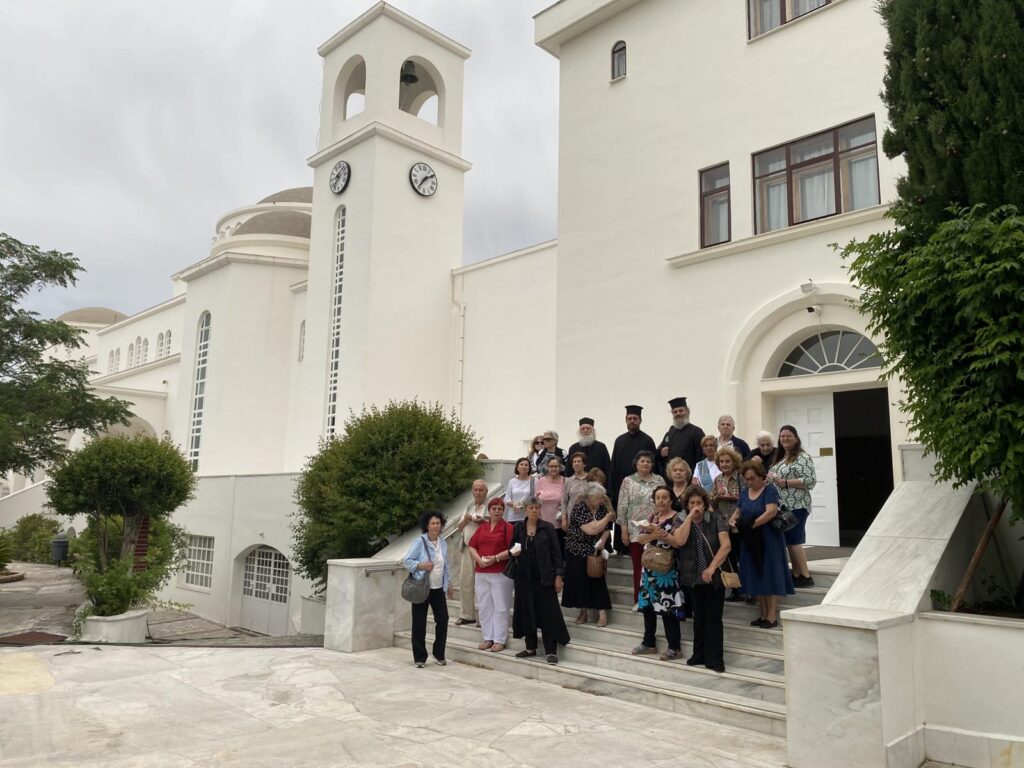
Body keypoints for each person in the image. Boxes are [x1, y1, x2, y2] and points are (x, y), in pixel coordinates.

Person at [675, 485, 732, 673]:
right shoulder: (681, 520)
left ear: (705, 504)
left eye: (699, 503)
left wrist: (712, 567)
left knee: (714, 618)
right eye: (692, 503)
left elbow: (726, 545)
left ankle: (716, 658)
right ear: (687, 505)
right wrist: (689, 518)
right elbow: (679, 541)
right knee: (698, 617)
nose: (696, 506)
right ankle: (698, 654)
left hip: (713, 577)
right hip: (693, 577)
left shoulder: (716, 519)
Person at [509, 497, 571, 664]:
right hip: (524, 578)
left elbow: (557, 554)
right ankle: (530, 647)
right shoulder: (518, 528)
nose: (534, 510)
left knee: (548, 614)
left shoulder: (548, 528)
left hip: (545, 578)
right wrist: (513, 552)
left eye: (537, 507)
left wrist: (558, 576)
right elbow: (511, 549)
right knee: (527, 611)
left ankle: (551, 651)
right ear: (526, 510)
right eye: (531, 507)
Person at [736, 461, 794, 628]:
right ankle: (762, 614)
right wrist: (733, 521)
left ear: (761, 476)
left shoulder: (769, 490)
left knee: (770, 572)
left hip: (769, 538)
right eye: (746, 479)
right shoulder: (745, 492)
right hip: (750, 539)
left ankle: (771, 616)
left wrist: (751, 525)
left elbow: (771, 512)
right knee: (756, 573)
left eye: (752, 478)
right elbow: (738, 511)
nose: (749, 482)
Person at [632, 486, 687, 661]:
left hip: (666, 570)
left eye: (664, 497)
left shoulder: (677, 519)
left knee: (667, 607)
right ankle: (648, 642)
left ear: (671, 500)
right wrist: (654, 534)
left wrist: (664, 536)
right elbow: (640, 539)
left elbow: (678, 543)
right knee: (647, 606)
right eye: (658, 498)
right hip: (649, 568)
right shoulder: (652, 517)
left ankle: (674, 647)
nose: (661, 501)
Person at [769, 425, 818, 587]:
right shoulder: (781, 457)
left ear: (796, 438)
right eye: (782, 436)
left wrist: (785, 482)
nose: (785, 439)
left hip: (797, 505)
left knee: (795, 540)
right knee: (790, 541)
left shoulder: (802, 457)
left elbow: (810, 481)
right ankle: (796, 573)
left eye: (789, 436)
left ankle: (806, 575)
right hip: (783, 507)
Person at [402, 511, 452, 668]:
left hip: (438, 589)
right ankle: (420, 658)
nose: (436, 526)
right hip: (422, 588)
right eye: (433, 523)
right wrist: (421, 565)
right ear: (427, 526)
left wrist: (448, 583)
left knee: (443, 619)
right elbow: (407, 561)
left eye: (438, 523)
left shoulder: (443, 543)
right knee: (419, 623)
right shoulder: (420, 542)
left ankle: (439, 654)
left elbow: (446, 565)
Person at [617, 450, 667, 604]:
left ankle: (656, 600)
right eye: (642, 461)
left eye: (648, 461)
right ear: (636, 464)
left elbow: (665, 502)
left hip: (655, 528)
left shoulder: (659, 480)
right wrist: (623, 530)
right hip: (635, 531)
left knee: (655, 563)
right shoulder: (628, 481)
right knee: (638, 565)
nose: (645, 464)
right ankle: (639, 600)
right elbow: (622, 506)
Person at [561, 482, 614, 626]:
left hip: (595, 549)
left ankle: (602, 613)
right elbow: (592, 530)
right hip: (577, 549)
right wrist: (607, 517)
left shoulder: (602, 506)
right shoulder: (579, 507)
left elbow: (607, 528)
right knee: (580, 581)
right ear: (590, 497)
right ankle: (583, 612)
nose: (602, 499)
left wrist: (603, 541)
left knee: (597, 580)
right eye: (599, 497)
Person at [468, 498, 515, 652]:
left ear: (503, 511)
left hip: (500, 573)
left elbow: (513, 549)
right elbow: (472, 546)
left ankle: (500, 639)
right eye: (494, 508)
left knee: (501, 606)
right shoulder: (482, 527)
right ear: (489, 511)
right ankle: (488, 637)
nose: (497, 511)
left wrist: (495, 558)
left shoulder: (508, 528)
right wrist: (478, 560)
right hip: (481, 572)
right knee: (484, 606)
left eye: (500, 509)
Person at [610, 404, 657, 552]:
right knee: (623, 516)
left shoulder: (648, 440)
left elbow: (654, 465)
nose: (632, 421)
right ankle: (622, 548)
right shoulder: (619, 440)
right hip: (623, 488)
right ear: (626, 419)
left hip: (644, 492)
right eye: (629, 418)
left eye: (635, 418)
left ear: (640, 420)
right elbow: (613, 466)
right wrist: (612, 491)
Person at [711, 447, 743, 602]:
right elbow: (713, 504)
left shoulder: (741, 477)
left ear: (734, 462)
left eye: (727, 461)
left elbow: (747, 498)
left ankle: (748, 590)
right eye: (722, 461)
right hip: (723, 524)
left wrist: (733, 497)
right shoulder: (718, 479)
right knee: (729, 558)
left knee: (742, 556)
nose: (724, 464)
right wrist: (717, 497)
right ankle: (735, 590)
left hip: (738, 523)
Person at [454, 479, 488, 626]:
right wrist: (466, 521)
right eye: (476, 490)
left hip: (483, 549)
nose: (478, 492)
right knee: (465, 581)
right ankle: (467, 615)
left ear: (486, 492)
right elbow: (459, 527)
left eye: (481, 490)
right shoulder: (469, 505)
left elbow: (494, 524)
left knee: (482, 584)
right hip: (468, 547)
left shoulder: (491, 505)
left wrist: (480, 521)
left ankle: (483, 617)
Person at [658, 397, 705, 474]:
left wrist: (699, 476)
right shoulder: (670, 432)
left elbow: (702, 457)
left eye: (681, 410)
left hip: (690, 477)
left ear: (687, 412)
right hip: (671, 477)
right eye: (675, 412)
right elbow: (660, 449)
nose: (678, 413)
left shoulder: (697, 432)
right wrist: (661, 452)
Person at [535, 455, 566, 550]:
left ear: (560, 467)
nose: (553, 468)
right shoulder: (541, 481)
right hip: (542, 523)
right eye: (551, 466)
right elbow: (535, 502)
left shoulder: (565, 481)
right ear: (547, 467)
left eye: (556, 466)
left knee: (558, 551)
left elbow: (566, 502)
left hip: (559, 524)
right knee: (543, 551)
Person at [503, 458, 535, 524]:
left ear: (529, 468)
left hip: (527, 516)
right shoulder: (512, 481)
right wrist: (513, 504)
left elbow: (535, 498)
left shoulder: (533, 481)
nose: (524, 466)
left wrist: (525, 504)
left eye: (526, 465)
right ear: (517, 467)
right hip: (513, 517)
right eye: (521, 464)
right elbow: (506, 499)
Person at [561, 452, 589, 523]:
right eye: (574, 462)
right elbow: (564, 501)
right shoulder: (568, 481)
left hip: (589, 518)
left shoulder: (591, 479)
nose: (576, 463)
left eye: (579, 461)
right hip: (572, 519)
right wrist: (564, 519)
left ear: (584, 464)